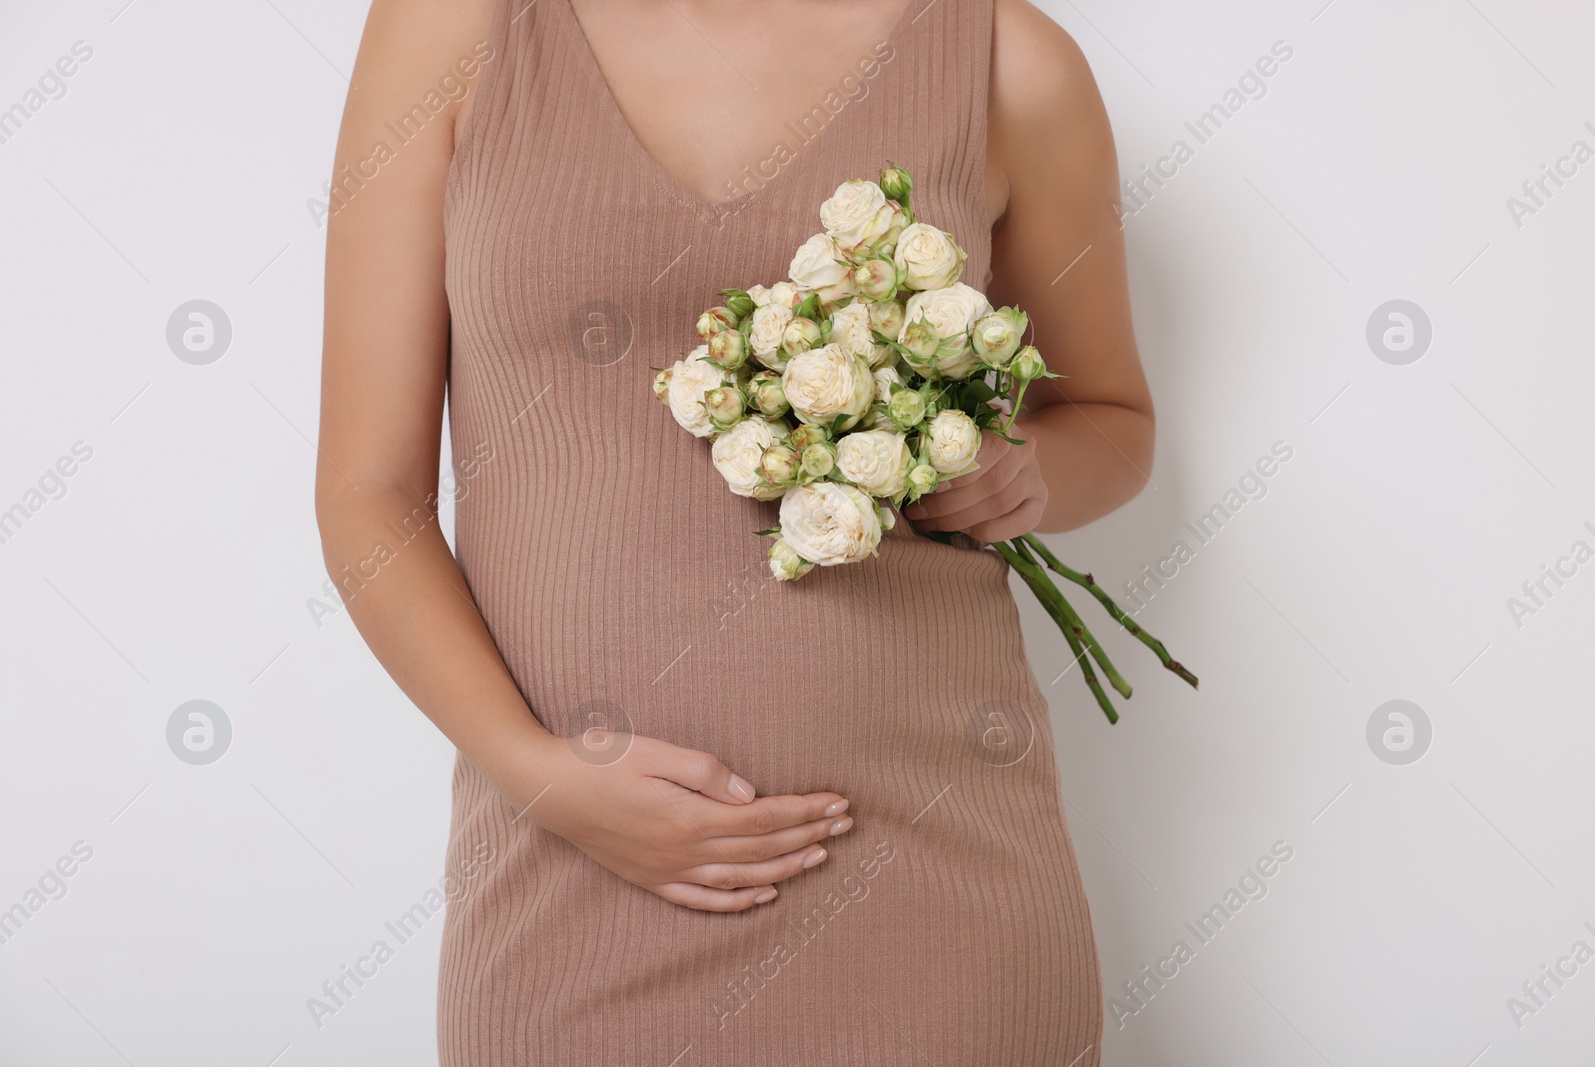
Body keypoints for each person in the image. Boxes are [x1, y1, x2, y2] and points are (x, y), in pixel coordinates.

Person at [316, 0, 1153, 1061]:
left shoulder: (1006, 57)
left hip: (937, 883)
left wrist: (1022, 478)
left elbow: (1112, 421)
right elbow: (366, 489)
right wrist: (535, 773)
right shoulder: (450, 28)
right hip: (571, 873)